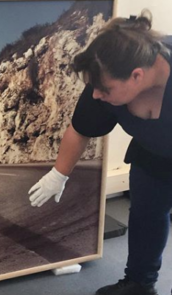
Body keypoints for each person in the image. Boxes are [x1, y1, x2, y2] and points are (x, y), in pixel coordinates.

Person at [28, 10, 172, 295]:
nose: (96, 95)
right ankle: (139, 284)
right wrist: (59, 174)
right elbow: (79, 129)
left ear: (137, 76)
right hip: (152, 154)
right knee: (146, 216)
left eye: (103, 89)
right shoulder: (106, 76)